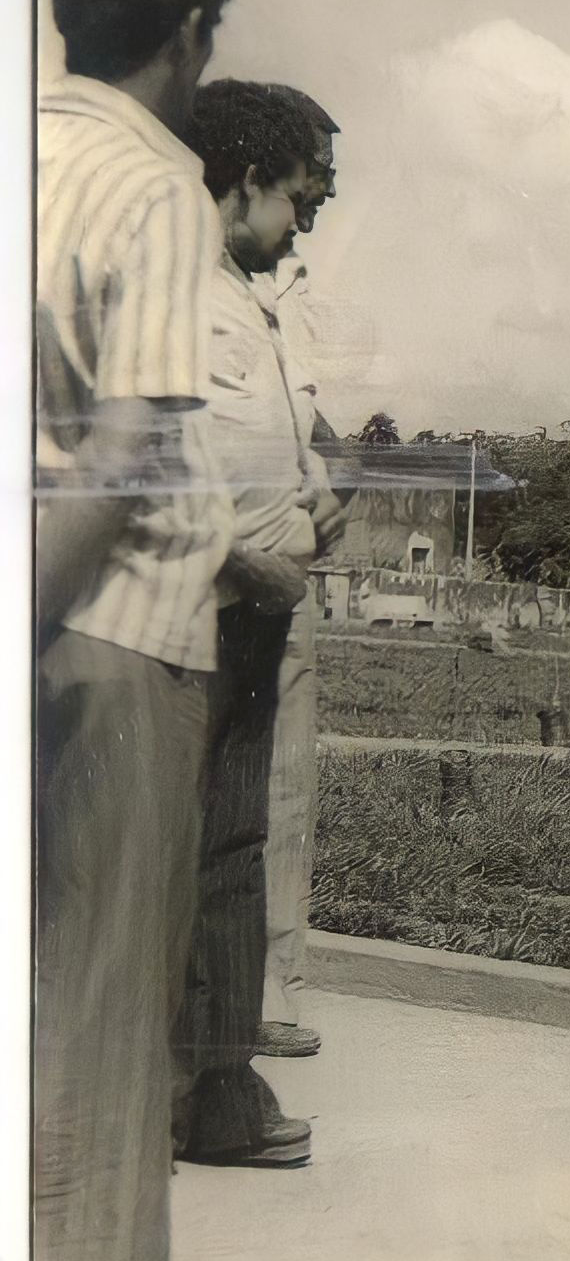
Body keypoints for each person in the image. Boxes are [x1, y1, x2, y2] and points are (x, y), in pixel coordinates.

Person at [34, 0, 236, 1261]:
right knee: (99, 1026)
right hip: (112, 631)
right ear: (189, 26)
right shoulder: (158, 181)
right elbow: (128, 453)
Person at [172, 80, 343, 1169]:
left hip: (251, 621)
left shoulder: (250, 296)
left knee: (230, 852)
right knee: (160, 853)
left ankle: (218, 1089)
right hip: (181, 618)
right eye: (297, 196)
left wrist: (315, 498)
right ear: (241, 182)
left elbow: (271, 441)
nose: (306, 220)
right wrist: (242, 557)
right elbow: (126, 476)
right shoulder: (166, 298)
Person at [256, 85, 344, 1060]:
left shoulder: (296, 286)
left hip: (291, 558)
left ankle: (274, 981)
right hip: (223, 560)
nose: (323, 199)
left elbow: (305, 415)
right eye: (315, 177)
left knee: (285, 785)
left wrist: (333, 484)